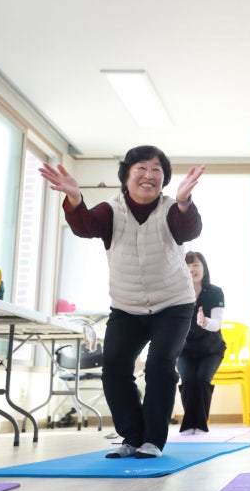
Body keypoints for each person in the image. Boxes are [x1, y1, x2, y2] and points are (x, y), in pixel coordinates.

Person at [39, 145, 205, 459]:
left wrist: (184, 202)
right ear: (126, 176)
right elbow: (85, 226)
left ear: (164, 179)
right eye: (141, 167)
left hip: (173, 304)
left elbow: (189, 229)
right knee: (114, 366)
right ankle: (132, 436)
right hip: (127, 306)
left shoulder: (170, 208)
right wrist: (75, 199)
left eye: (157, 169)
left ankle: (153, 440)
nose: (150, 175)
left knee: (159, 365)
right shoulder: (111, 210)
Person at [176, 251, 226, 435]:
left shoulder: (215, 292)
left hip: (211, 349)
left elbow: (217, 323)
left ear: (204, 267)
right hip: (184, 349)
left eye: (196, 264)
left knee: (202, 380)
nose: (191, 269)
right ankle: (189, 425)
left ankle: (201, 426)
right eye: (187, 265)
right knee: (188, 380)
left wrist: (205, 322)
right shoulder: (178, 293)